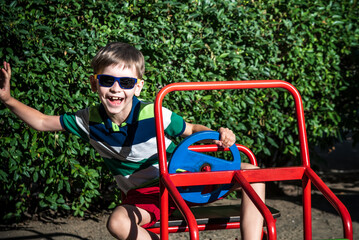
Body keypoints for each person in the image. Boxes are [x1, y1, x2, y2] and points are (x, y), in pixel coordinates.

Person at [0, 42, 265, 240]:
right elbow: (43, 122)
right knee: (117, 222)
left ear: (137, 87)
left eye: (126, 81)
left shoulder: (154, 112)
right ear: (95, 84)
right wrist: (8, 100)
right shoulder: (89, 121)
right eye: (107, 80)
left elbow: (193, 128)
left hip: (184, 180)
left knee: (255, 174)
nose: (116, 89)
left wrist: (219, 133)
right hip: (148, 194)